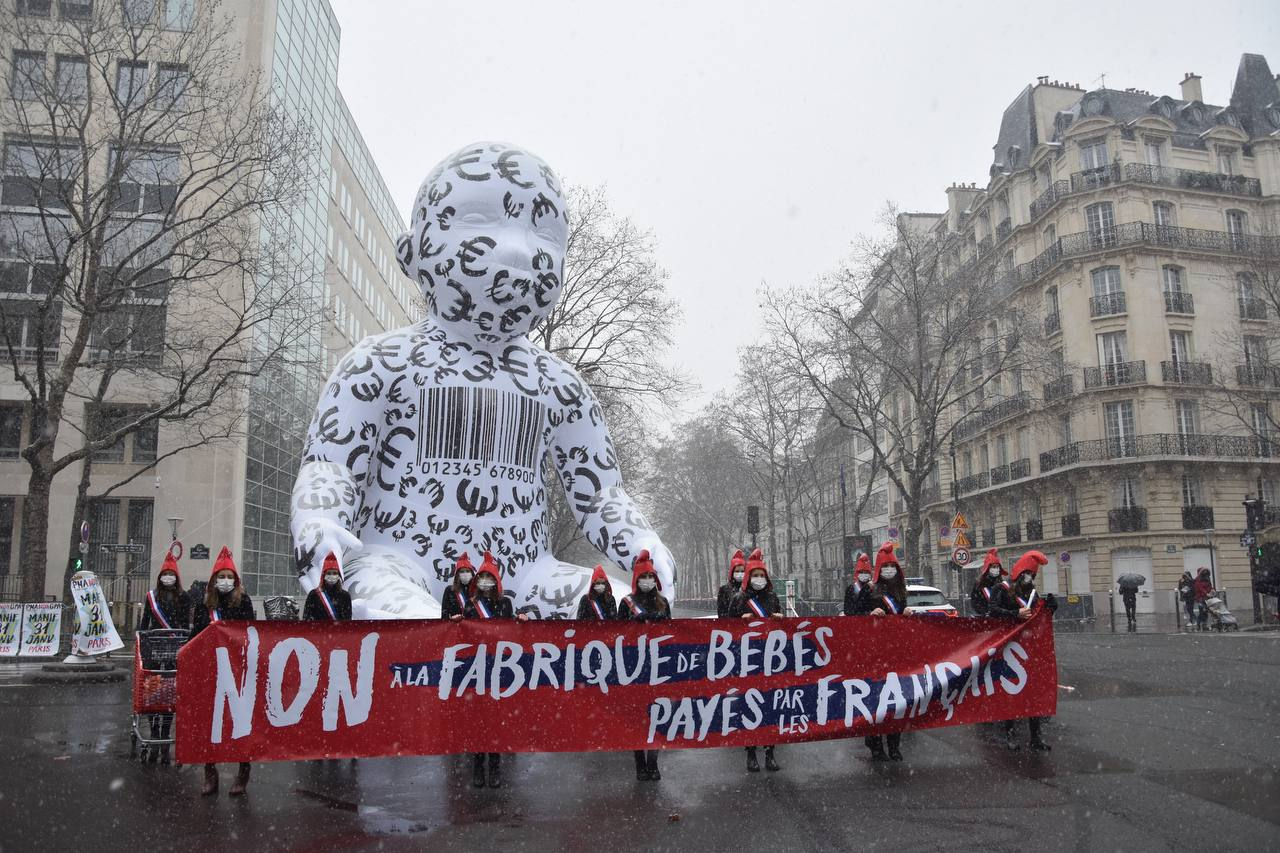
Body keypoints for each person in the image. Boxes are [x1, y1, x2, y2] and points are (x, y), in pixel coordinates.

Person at [191, 547, 255, 796]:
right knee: (210, 721)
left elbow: (249, 634)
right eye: (221, 577)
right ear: (214, 580)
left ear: (235, 580)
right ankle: (210, 771)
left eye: (229, 577)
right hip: (210, 670)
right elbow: (196, 636)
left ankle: (243, 771)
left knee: (239, 722)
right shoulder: (204, 604)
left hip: (237, 670)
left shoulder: (244, 601)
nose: (225, 581)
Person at [464, 552, 528, 788]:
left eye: (489, 578)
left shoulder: (504, 603)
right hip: (476, 668)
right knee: (478, 721)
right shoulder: (471, 605)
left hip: (500, 668)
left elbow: (511, 628)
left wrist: (520, 621)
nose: (485, 582)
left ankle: (496, 767)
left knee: (497, 720)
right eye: (481, 578)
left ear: (496, 581)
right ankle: (478, 768)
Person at [988, 550, 1057, 751]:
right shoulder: (1001, 589)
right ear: (1019, 573)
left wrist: (1050, 608)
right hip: (1008, 646)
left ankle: (1036, 737)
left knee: (1033, 692)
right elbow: (993, 611)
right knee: (1011, 691)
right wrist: (1014, 613)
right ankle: (1009, 735)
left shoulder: (1032, 593)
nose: (1029, 577)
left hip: (1029, 647)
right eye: (1027, 573)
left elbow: (1037, 618)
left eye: (1032, 575)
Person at [729, 548, 784, 772]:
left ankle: (770, 753)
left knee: (770, 706)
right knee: (749, 706)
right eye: (755, 575)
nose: (758, 579)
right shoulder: (739, 599)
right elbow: (726, 628)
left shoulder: (772, 597)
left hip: (771, 658)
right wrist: (738, 620)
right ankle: (751, 753)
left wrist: (780, 619)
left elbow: (782, 626)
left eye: (762, 575)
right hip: (747, 659)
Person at [617, 550, 670, 780]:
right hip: (633, 667)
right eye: (643, 578)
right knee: (636, 717)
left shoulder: (663, 603)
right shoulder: (626, 603)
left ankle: (653, 762)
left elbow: (673, 633)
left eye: (650, 577)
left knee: (656, 716)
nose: (647, 581)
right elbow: (616, 635)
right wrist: (632, 625)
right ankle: (639, 763)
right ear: (636, 580)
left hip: (658, 665)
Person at [865, 541, 913, 761]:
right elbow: (856, 616)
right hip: (875, 653)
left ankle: (894, 745)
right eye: (885, 567)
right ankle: (875, 743)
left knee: (897, 702)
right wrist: (870, 612)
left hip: (897, 652)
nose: (889, 571)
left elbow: (902, 616)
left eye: (892, 567)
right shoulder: (870, 591)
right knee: (877, 702)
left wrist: (907, 612)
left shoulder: (901, 591)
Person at [139, 551, 191, 632]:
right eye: (165, 574)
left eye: (171, 574)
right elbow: (146, 618)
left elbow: (185, 621)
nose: (168, 577)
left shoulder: (184, 595)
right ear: (160, 577)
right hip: (156, 637)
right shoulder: (152, 596)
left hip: (176, 637)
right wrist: (142, 635)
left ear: (176, 577)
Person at [302, 553, 353, 621]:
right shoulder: (314, 595)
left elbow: (347, 621)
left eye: (335, 573)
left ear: (339, 576)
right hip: (318, 631)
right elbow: (306, 619)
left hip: (338, 631)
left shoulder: (345, 596)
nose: (332, 576)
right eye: (329, 573)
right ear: (323, 575)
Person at [440, 553, 476, 622]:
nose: (465, 574)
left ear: (472, 573)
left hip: (474, 629)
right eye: (462, 571)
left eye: (467, 571)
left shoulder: (477, 591)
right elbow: (444, 616)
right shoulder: (450, 590)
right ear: (457, 575)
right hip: (455, 629)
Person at [970, 548, 1005, 616]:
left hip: (1000, 618)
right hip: (985, 619)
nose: (996, 569)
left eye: (998, 567)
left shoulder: (1002, 584)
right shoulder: (979, 584)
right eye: (994, 567)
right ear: (988, 568)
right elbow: (974, 601)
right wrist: (983, 612)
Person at [717, 550, 746, 617]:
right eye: (737, 571)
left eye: (742, 571)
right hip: (731, 625)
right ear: (732, 572)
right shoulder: (724, 590)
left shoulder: (749, 589)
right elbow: (721, 613)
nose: (740, 573)